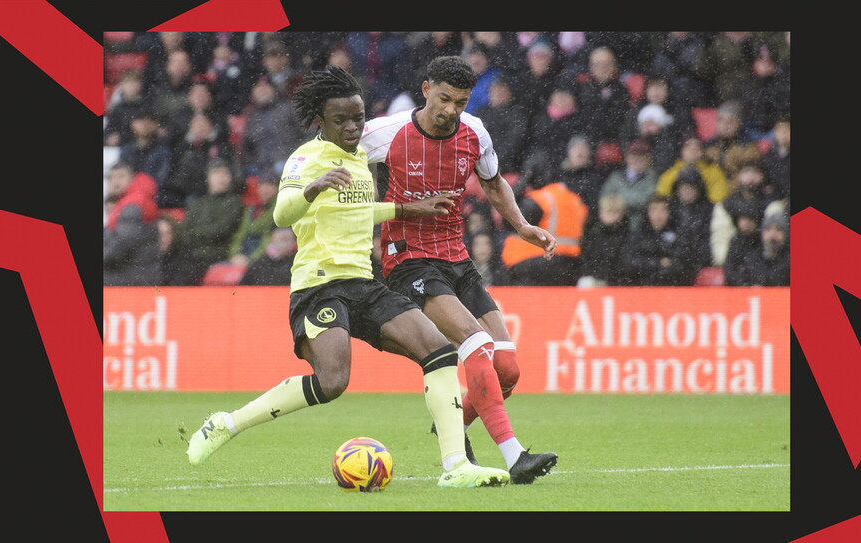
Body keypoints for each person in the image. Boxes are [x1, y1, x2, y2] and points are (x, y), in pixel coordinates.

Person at [186, 65, 511, 489]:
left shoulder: (359, 159)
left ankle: (456, 466)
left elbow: (355, 210)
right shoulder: (306, 159)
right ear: (320, 120)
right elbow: (282, 214)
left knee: (439, 352)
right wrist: (314, 187)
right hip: (319, 285)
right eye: (341, 120)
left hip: (364, 282)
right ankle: (227, 424)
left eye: (358, 118)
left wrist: (405, 209)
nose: (354, 127)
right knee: (333, 382)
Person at [360, 55, 559, 484]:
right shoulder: (384, 133)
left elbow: (492, 181)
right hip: (409, 258)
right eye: (444, 98)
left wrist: (521, 226)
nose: (451, 110)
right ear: (426, 89)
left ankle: (452, 423)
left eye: (461, 102)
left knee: (508, 370)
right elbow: (333, 155)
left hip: (456, 257)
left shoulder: (475, 132)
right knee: (475, 343)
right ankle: (515, 457)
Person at [501, 168, 588, 286]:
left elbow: (509, 221)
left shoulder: (541, 199)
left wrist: (520, 185)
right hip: (570, 264)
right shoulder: (576, 201)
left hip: (530, 261)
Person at [170, 158, 245, 285]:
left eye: (225, 173)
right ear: (208, 177)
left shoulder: (234, 203)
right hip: (192, 255)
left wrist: (195, 234)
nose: (221, 177)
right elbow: (184, 232)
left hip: (217, 255)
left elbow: (219, 231)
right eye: (216, 173)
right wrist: (199, 235)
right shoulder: (198, 203)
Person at [103, 161, 161, 286]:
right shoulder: (137, 200)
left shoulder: (132, 205)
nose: (115, 182)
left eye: (121, 176)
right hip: (138, 274)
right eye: (111, 178)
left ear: (132, 179)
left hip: (130, 277)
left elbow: (122, 243)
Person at [622, 194, 693, 286]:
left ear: (669, 212)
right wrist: (658, 262)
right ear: (647, 212)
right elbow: (629, 262)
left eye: (662, 210)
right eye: (654, 210)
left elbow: (684, 262)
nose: (658, 215)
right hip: (642, 286)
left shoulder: (679, 232)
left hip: (673, 286)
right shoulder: (638, 232)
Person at [599, 138, 659, 232]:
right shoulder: (616, 176)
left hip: (641, 227)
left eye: (641, 155)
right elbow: (604, 198)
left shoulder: (652, 177)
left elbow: (648, 200)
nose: (637, 158)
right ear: (627, 157)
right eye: (634, 154)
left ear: (648, 158)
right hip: (615, 226)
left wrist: (619, 202)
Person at [577, 193, 632, 288]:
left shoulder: (626, 235)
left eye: (615, 212)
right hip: (594, 278)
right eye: (608, 212)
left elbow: (625, 262)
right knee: (585, 283)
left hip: (617, 280)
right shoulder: (592, 234)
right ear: (600, 213)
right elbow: (586, 259)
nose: (612, 216)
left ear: (622, 214)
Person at [656, 135, 730, 204]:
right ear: (681, 150)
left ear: (702, 151)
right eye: (688, 146)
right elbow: (662, 196)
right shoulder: (671, 172)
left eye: (697, 146)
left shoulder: (714, 171)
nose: (693, 149)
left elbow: (719, 198)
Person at [228, 170, 279, 267]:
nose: (265, 189)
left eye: (270, 185)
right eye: (262, 185)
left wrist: (250, 260)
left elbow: (268, 239)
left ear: (277, 188)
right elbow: (240, 235)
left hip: (261, 261)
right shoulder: (251, 210)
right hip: (240, 257)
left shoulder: (279, 210)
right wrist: (235, 255)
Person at [736, 212, 790, 286]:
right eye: (768, 229)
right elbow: (742, 283)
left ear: (785, 234)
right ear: (762, 233)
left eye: (779, 229)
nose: (773, 234)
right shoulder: (751, 258)